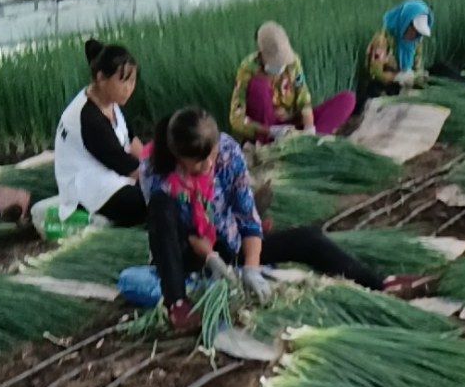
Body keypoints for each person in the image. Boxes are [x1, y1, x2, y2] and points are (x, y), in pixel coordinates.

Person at [142, 109, 391, 329]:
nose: (209, 165)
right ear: (178, 156)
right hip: (187, 253)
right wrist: (209, 257)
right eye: (199, 162)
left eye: (212, 155)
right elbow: (173, 230)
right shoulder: (156, 173)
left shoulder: (227, 152)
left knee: (309, 239)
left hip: (229, 241)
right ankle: (177, 305)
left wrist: (251, 266)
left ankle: (381, 282)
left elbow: (247, 215)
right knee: (160, 206)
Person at [54, 39, 146, 224]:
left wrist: (150, 161)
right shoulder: (88, 118)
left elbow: (131, 138)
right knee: (154, 201)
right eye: (123, 81)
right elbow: (126, 166)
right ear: (101, 78)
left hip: (108, 175)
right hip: (88, 187)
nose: (129, 89)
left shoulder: (109, 101)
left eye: (132, 81)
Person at [229, 22, 355, 145]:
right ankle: (280, 144)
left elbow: (303, 97)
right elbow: (236, 119)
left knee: (347, 99)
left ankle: (311, 141)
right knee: (258, 87)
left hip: (294, 124)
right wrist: (271, 131)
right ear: (261, 53)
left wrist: (309, 127)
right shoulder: (248, 70)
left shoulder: (293, 62)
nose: (281, 68)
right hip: (269, 129)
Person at [365, 0, 433, 93]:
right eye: (413, 29)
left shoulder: (416, 42)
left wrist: (417, 76)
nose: (414, 34)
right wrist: (397, 77)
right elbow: (375, 72)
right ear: (405, 23)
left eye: (418, 32)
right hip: (385, 87)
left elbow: (416, 66)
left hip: (405, 86)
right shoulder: (382, 40)